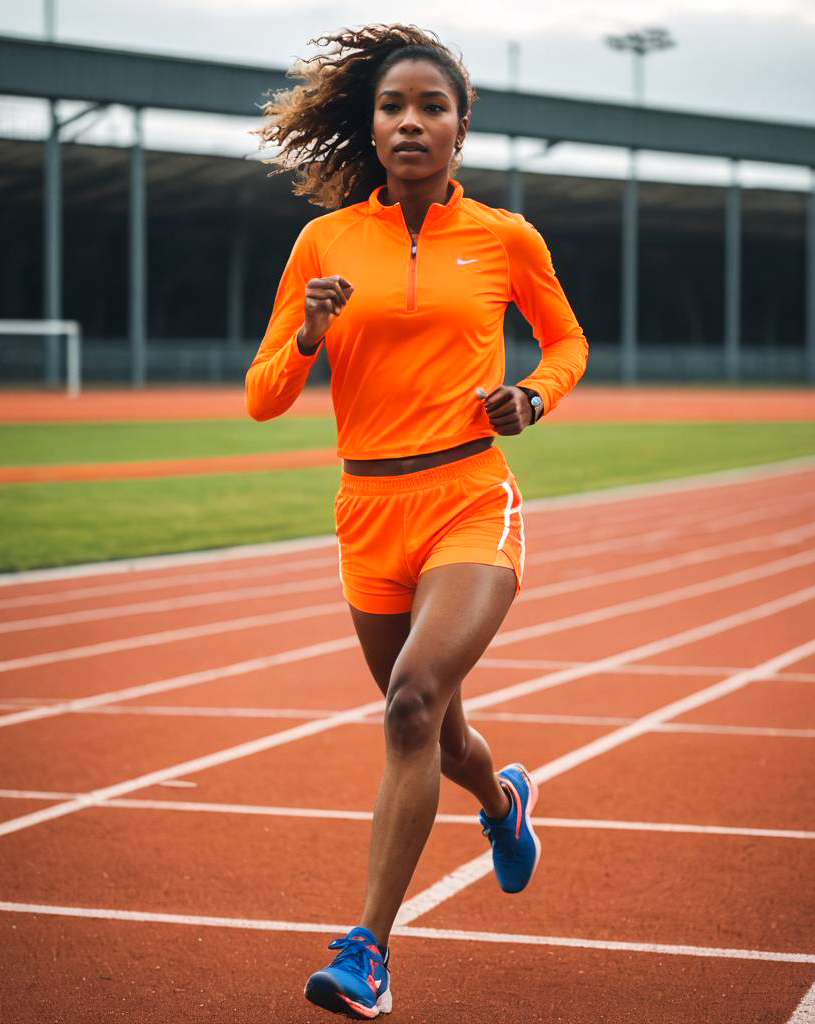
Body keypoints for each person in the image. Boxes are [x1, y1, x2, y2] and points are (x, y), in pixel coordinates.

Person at [246, 24, 587, 1019]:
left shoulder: (504, 237)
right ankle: (502, 799)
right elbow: (264, 395)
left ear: (460, 126)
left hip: (470, 497)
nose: (409, 121)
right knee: (439, 736)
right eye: (393, 105)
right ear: (372, 122)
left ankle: (367, 952)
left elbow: (565, 341)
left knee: (408, 701)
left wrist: (533, 393)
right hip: (367, 510)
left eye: (430, 106)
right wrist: (308, 334)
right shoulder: (323, 242)